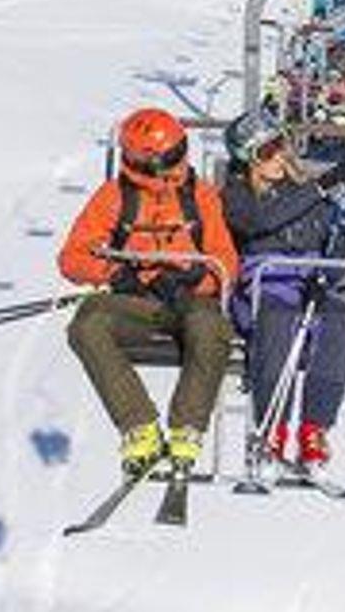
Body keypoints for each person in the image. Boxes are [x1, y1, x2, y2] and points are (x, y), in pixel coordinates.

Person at [59, 106, 237, 478]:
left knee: (211, 327)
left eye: (180, 151)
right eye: (170, 158)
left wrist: (194, 279)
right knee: (88, 323)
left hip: (189, 301)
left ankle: (187, 428)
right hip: (137, 303)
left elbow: (226, 262)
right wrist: (116, 273)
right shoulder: (114, 198)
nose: (179, 164)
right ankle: (139, 426)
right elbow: (72, 258)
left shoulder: (200, 196)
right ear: (144, 162)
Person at [222, 110, 345, 472]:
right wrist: (318, 188)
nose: (278, 156)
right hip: (262, 287)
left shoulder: (307, 193)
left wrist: (343, 234)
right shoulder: (237, 195)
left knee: (339, 320)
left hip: (309, 286)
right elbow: (261, 221)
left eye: (280, 145)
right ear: (249, 160)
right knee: (278, 320)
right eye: (266, 151)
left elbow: (335, 250)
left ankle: (314, 430)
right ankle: (272, 431)